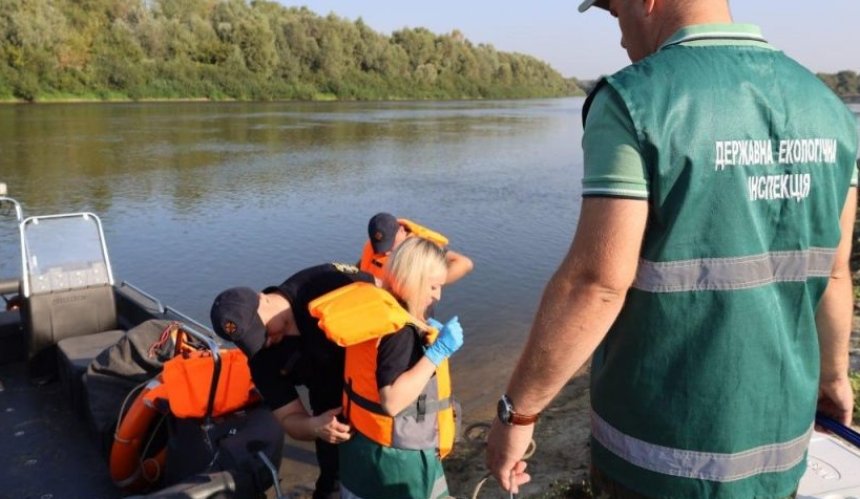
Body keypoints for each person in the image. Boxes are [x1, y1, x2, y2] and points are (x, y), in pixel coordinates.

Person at [486, 0, 858, 497]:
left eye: (616, 12)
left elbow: (596, 284)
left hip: (658, 458)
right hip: (780, 448)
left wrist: (518, 413)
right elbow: (834, 274)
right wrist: (834, 380)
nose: (619, 36)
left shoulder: (633, 100)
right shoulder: (830, 108)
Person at [312, 237, 464, 498]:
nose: (438, 295)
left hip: (362, 447)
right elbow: (392, 401)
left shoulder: (375, 311)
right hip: (396, 458)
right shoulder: (399, 331)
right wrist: (438, 353)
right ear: (413, 280)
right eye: (433, 286)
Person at [210, 263, 374, 499]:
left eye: (263, 331)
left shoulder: (325, 282)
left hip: (379, 401)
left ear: (262, 299)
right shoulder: (261, 358)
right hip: (333, 420)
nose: (265, 342)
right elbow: (289, 418)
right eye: (253, 341)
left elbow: (393, 302)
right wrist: (316, 427)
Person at [359, 212, 474, 284]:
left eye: (390, 244)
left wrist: (431, 284)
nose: (386, 252)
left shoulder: (420, 247)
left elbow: (464, 263)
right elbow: (364, 265)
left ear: (401, 230)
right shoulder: (376, 244)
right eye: (382, 247)